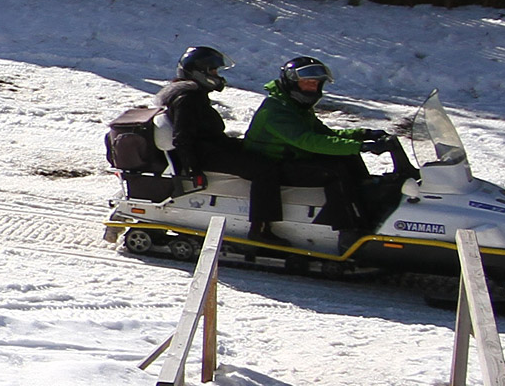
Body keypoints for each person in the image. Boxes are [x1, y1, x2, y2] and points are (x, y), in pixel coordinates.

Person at [243, 56, 393, 240]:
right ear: (292, 83)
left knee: (347, 158)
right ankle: (350, 230)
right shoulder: (276, 110)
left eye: (316, 84)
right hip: (272, 165)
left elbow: (325, 134)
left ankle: (367, 204)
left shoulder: (295, 106)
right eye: (307, 83)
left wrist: (364, 134)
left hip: (290, 158)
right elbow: (308, 141)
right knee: (335, 172)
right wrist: (359, 146)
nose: (312, 89)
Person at [150, 46, 285, 242]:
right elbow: (182, 137)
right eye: (213, 71)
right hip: (205, 157)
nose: (216, 75)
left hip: (213, 149)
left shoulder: (195, 95)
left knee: (264, 155)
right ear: (199, 72)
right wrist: (193, 170)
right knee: (265, 169)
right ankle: (260, 229)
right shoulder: (187, 98)